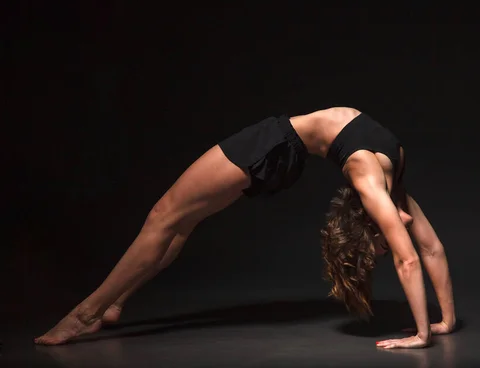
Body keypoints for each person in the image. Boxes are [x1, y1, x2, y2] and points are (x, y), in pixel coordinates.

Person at [34, 107, 456, 348]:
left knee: (164, 216)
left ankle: (83, 315)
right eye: (390, 236)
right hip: (278, 151)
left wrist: (425, 332)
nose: (403, 228)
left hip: (276, 145)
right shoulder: (385, 184)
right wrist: (440, 326)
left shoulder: (376, 186)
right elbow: (423, 252)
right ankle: (112, 305)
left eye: (387, 235)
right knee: (179, 223)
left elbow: (416, 255)